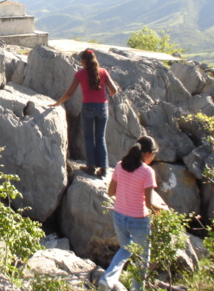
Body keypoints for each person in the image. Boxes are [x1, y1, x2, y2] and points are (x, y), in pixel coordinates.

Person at [98, 136, 168, 291]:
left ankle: (108, 279)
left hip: (119, 216)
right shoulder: (147, 172)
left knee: (126, 248)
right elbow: (149, 204)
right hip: (138, 220)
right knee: (143, 259)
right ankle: (137, 289)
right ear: (148, 154)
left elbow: (110, 192)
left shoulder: (120, 165)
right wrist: (163, 209)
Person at [49, 48, 117, 177]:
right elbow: (114, 89)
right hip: (103, 107)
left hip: (88, 107)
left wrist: (58, 103)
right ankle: (103, 169)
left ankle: (90, 167)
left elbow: (69, 93)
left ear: (84, 61)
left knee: (88, 137)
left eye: (81, 61)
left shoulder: (80, 74)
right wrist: (108, 94)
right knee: (100, 137)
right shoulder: (103, 72)